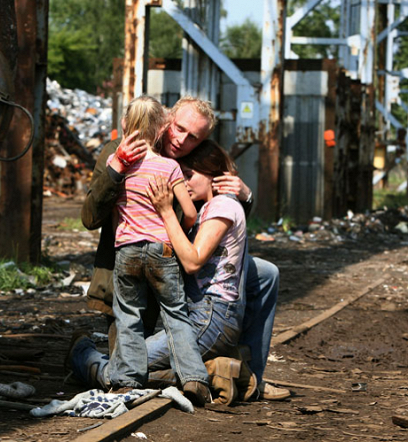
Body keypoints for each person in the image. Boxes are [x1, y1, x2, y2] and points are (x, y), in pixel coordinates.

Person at [81, 96, 287, 399]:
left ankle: (251, 377)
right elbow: (89, 217)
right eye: (178, 129)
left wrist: (244, 196)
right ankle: (213, 370)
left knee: (266, 273)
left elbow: (220, 223)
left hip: (177, 272)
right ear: (166, 120)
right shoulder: (122, 150)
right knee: (127, 374)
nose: (182, 140)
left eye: (194, 137)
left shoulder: (188, 163)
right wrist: (117, 170)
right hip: (133, 273)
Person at [69, 140, 252, 403]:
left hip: (209, 319)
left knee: (125, 369)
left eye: (189, 175)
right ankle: (217, 371)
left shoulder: (222, 206)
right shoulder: (209, 207)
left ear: (214, 176)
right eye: (181, 175)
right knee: (135, 362)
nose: (184, 183)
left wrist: (166, 211)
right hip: (206, 317)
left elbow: (192, 262)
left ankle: (81, 354)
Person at [104, 96, 209, 404]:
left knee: (127, 315)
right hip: (162, 249)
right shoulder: (169, 167)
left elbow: (112, 211)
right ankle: (193, 378)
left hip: (126, 249)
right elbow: (189, 213)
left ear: (126, 125)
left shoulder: (119, 165)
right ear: (163, 127)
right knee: (175, 314)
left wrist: (122, 236)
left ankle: (127, 380)